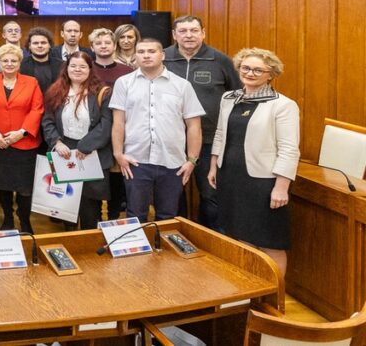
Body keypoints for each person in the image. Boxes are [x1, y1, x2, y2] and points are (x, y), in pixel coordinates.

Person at [209, 48, 299, 276]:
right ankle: (251, 288)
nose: (250, 73)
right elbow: (220, 134)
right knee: (241, 236)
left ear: (271, 74)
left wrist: (282, 187)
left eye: (258, 70)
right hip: (230, 176)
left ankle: (274, 295)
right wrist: (213, 166)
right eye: (245, 68)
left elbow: (289, 149)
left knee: (270, 242)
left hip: (262, 182)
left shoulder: (283, 105)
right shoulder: (229, 98)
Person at [110, 38, 205, 222]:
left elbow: (194, 125)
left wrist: (192, 160)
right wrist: (118, 154)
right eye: (141, 52)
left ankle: (163, 243)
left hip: (173, 162)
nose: (146, 55)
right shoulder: (124, 83)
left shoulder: (182, 85)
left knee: (168, 216)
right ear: (135, 56)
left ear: (162, 55)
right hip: (135, 161)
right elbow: (118, 122)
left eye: (151, 51)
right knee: (135, 215)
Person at [164, 15, 242, 229]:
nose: (188, 35)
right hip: (171, 140)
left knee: (210, 194)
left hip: (209, 140)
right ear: (174, 35)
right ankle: (177, 235)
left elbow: (237, 95)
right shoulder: (163, 58)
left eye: (194, 30)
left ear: (203, 33)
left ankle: (211, 238)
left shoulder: (220, 60)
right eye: (183, 31)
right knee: (172, 194)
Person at [41, 52, 114, 230]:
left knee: (91, 206)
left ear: (90, 69)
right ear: (66, 68)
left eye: (82, 66)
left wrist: (85, 146)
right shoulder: (56, 91)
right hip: (64, 152)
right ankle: (70, 236)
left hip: (92, 152)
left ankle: (89, 239)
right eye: (73, 66)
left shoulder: (102, 92)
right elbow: (47, 121)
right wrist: (56, 142)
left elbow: (106, 124)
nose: (77, 70)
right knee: (66, 204)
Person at [0, 44, 44, 233]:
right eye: (5, 60)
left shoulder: (31, 82)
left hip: (24, 143)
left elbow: (37, 109)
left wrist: (21, 132)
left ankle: (25, 220)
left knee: (24, 188)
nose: (9, 64)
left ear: (19, 63)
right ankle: (7, 218)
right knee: (3, 185)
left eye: (13, 60)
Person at [88, 27, 135, 220]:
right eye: (98, 43)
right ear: (92, 47)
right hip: (93, 133)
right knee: (95, 180)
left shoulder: (128, 71)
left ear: (115, 46)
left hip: (121, 132)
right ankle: (96, 220)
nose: (103, 46)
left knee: (117, 181)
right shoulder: (85, 69)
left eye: (107, 42)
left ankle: (114, 218)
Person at [20, 27, 64, 93]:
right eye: (35, 43)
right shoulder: (21, 65)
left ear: (49, 45)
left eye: (43, 43)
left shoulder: (61, 65)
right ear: (29, 46)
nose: (40, 46)